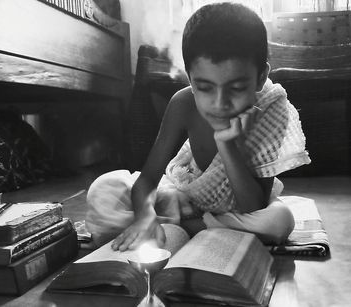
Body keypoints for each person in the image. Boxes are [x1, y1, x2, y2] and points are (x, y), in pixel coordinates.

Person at [86, 2, 310, 251]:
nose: (219, 103)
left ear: (260, 78)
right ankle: (179, 225)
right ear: (190, 79)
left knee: (279, 221)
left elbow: (253, 206)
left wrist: (226, 144)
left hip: (240, 209)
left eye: (236, 88)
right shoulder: (183, 103)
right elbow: (148, 180)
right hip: (184, 197)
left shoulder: (271, 110)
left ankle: (184, 228)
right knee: (103, 191)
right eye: (204, 87)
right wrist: (145, 216)